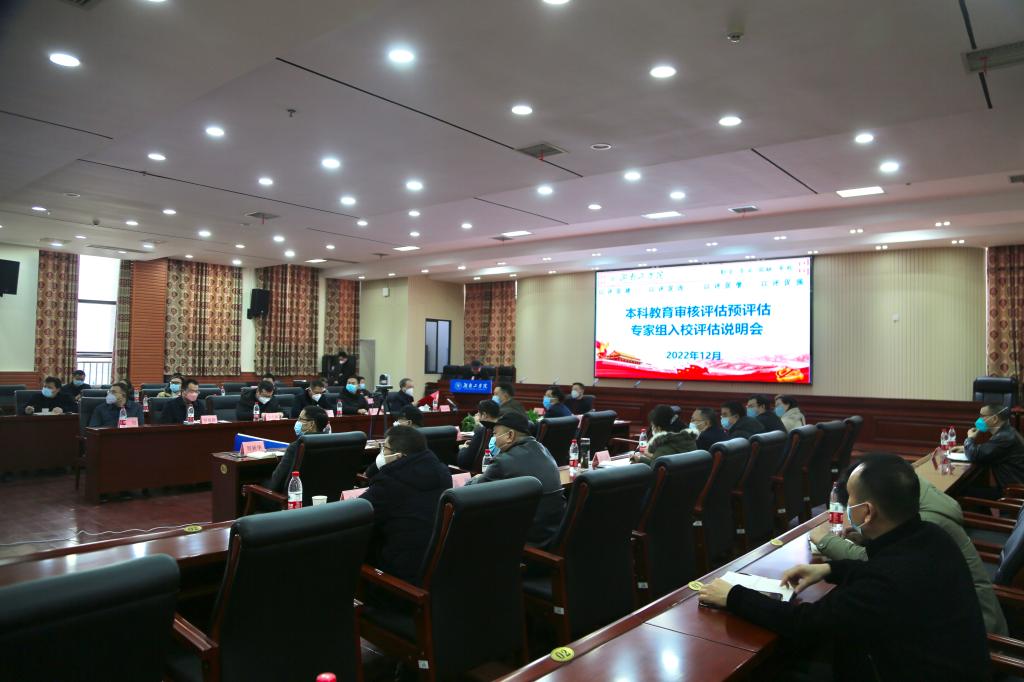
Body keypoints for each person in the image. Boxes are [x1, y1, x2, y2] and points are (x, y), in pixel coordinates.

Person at [698, 454, 990, 681]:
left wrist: (733, 596)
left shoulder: (885, 583)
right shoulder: (931, 535)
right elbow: (885, 568)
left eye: (850, 497)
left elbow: (806, 624)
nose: (846, 504)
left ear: (866, 512)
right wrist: (829, 570)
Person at [810, 453, 1007, 635]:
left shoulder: (929, 526)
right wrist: (865, 540)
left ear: (868, 508)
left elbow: (880, 565)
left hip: (978, 632)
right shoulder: (920, 510)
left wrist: (826, 540)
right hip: (960, 619)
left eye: (852, 499)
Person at [361, 425, 453, 583]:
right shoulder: (442, 473)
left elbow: (359, 514)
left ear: (399, 456)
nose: (381, 453)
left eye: (384, 448)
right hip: (435, 570)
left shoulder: (389, 483)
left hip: (397, 576)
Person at [465, 412, 565, 547]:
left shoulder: (503, 461)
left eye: (495, 434)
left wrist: (474, 479)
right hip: (552, 533)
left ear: (510, 435)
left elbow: (470, 493)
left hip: (527, 540)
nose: (493, 439)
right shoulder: (544, 450)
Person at [268, 405, 331, 493]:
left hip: (295, 496)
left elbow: (276, 482)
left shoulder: (296, 446)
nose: (297, 422)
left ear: (311, 424)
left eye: (300, 419)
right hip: (326, 495)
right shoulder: (331, 443)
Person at [964, 403, 1024, 493]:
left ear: (994, 419)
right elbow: (988, 449)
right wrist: (966, 447)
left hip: (1013, 494)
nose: (978, 420)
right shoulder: (1008, 432)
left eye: (982, 416)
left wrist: (970, 439)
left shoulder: (1004, 437)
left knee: (960, 491)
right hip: (1012, 488)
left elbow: (974, 455)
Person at [632, 404, 697, 465]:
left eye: (652, 425)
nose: (652, 428)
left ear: (659, 428)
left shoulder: (665, 446)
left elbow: (655, 467)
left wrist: (640, 459)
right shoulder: (688, 438)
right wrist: (642, 458)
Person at [457, 399, 500, 470]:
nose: (476, 415)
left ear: (484, 415)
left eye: (478, 413)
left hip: (478, 472)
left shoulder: (482, 430)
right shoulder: (503, 428)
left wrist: (463, 448)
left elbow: (464, 462)